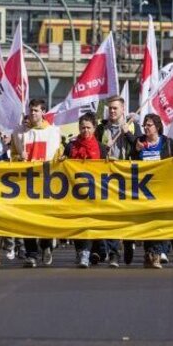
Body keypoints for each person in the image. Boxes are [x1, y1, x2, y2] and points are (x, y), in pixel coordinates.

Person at [11, 99, 62, 268]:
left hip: (46, 182)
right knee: (27, 220)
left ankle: (46, 246)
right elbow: (12, 156)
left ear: (43, 112)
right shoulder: (19, 133)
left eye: (36, 110)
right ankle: (31, 253)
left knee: (45, 218)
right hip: (26, 182)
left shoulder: (53, 132)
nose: (33, 113)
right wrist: (19, 158)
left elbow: (57, 155)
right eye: (31, 110)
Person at [95, 95, 142, 266]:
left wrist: (128, 134)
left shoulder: (133, 126)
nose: (112, 111)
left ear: (123, 109)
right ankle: (114, 252)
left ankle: (128, 242)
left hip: (127, 176)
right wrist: (103, 149)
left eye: (115, 108)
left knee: (126, 214)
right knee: (111, 215)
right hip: (107, 176)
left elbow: (140, 148)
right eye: (110, 108)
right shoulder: (101, 129)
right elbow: (96, 149)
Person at [61, 112, 110, 268]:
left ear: (94, 128)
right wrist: (62, 161)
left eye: (88, 128)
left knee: (91, 222)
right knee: (78, 224)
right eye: (82, 128)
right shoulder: (70, 147)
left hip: (95, 193)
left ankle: (88, 252)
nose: (85, 131)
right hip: (74, 193)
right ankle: (81, 251)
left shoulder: (101, 149)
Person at [132, 113, 173, 269]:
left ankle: (156, 254)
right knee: (148, 223)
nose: (146, 127)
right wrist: (136, 151)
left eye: (149, 124)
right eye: (145, 124)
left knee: (159, 222)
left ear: (157, 127)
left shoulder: (168, 142)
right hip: (144, 191)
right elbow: (130, 165)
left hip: (162, 190)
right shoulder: (140, 143)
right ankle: (149, 253)